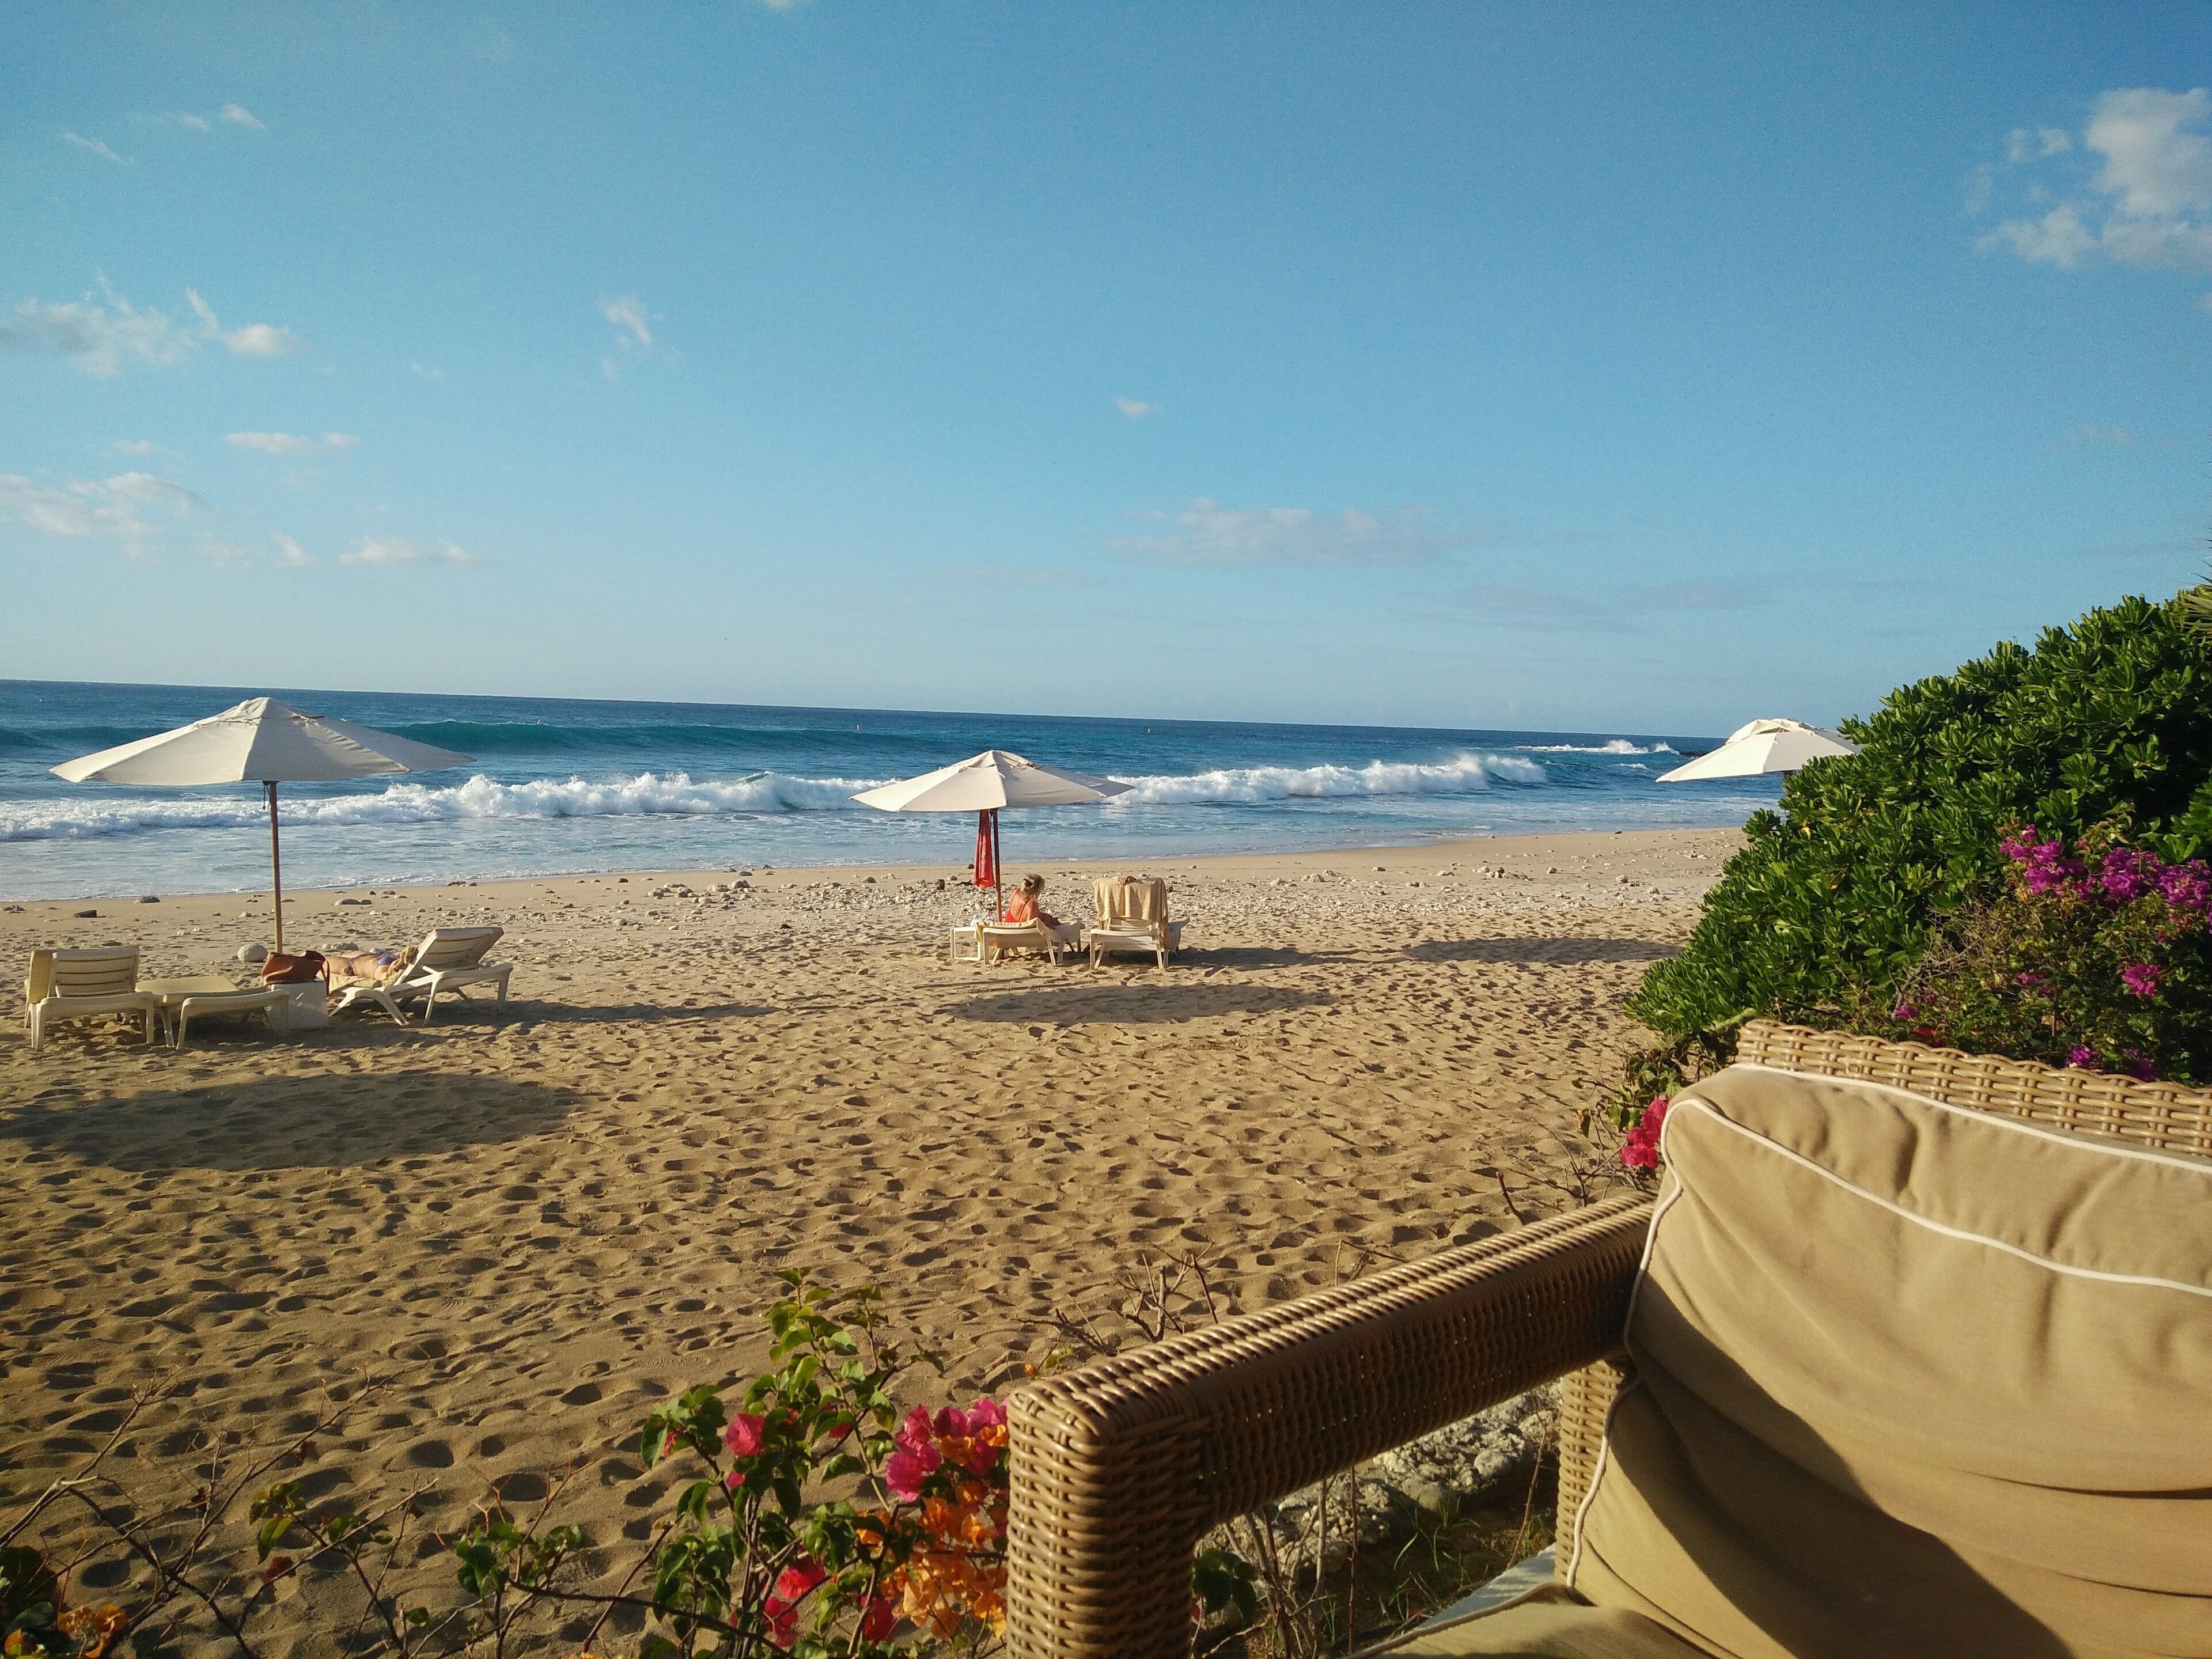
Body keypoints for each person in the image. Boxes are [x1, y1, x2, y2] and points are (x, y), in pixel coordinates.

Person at [1003, 874, 1080, 949]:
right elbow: (1031, 929)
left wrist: (1044, 917)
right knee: (1061, 928)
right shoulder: (1032, 904)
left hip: (1010, 931)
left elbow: (1022, 917)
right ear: (1037, 890)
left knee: (1047, 918)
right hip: (1022, 936)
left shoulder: (1015, 893)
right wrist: (1049, 924)